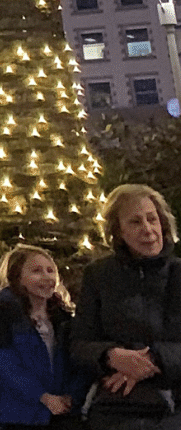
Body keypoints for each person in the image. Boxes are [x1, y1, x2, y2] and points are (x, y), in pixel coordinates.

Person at [70, 183, 181, 430]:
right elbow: (78, 344)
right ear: (118, 233)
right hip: (116, 404)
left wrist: (151, 360)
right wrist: (111, 356)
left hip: (175, 402)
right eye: (135, 222)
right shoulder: (98, 276)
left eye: (152, 219)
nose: (148, 229)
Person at [0, 244, 82, 430]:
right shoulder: (5, 316)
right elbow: (3, 365)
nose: (47, 277)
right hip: (20, 415)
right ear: (18, 277)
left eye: (50, 270)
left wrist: (71, 396)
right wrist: (42, 397)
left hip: (61, 415)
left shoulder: (62, 318)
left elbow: (77, 361)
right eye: (37, 271)